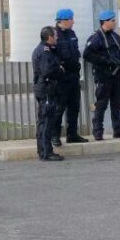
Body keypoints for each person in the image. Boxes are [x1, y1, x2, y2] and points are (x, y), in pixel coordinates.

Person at [83, 9, 120, 140]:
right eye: (112, 20)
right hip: (104, 76)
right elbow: (87, 54)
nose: (115, 22)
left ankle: (118, 129)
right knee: (102, 104)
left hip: (116, 76)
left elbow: (119, 52)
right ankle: (98, 130)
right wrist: (104, 60)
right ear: (105, 22)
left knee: (117, 103)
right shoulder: (96, 37)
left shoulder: (115, 36)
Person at [52, 8, 88, 146]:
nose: (73, 21)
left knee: (74, 107)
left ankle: (72, 134)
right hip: (61, 79)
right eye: (71, 19)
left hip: (73, 76)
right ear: (65, 20)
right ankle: (54, 135)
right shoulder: (54, 34)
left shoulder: (72, 33)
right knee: (59, 108)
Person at [31, 25, 65, 161]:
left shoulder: (44, 50)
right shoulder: (44, 52)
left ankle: (43, 150)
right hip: (46, 89)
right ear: (49, 37)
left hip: (45, 88)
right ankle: (46, 152)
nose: (57, 38)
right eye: (55, 36)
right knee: (46, 122)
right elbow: (47, 71)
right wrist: (60, 70)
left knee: (44, 121)